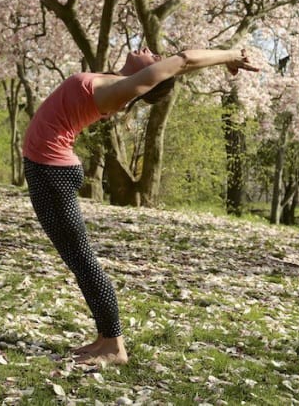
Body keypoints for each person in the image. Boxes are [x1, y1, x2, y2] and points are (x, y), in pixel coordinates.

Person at [22, 47, 259, 365]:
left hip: (51, 173)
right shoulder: (114, 81)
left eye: (156, 57)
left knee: (82, 260)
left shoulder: (117, 91)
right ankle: (105, 338)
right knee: (78, 260)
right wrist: (216, 61)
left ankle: (114, 346)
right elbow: (178, 66)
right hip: (47, 170)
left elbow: (183, 60)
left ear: (149, 78)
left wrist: (230, 54)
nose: (150, 50)